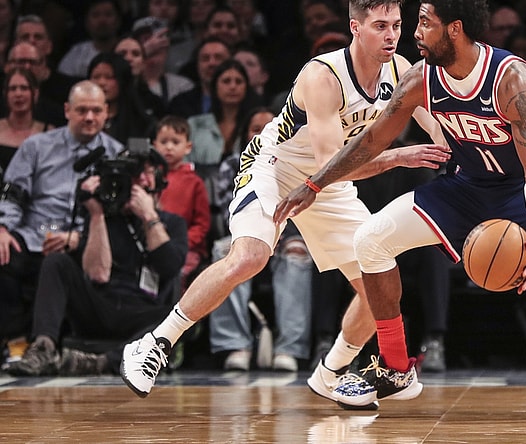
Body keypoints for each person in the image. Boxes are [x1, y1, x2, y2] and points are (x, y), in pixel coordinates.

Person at [273, 0, 526, 421]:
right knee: (370, 239)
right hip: (464, 188)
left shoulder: (509, 78)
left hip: (522, 193)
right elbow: (370, 142)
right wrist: (315, 182)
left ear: (454, 29)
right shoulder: (420, 78)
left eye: (424, 23)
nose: (415, 34)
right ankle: (394, 367)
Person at [120, 0, 449, 401]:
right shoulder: (324, 75)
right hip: (275, 168)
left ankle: (330, 374)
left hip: (329, 182)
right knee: (249, 257)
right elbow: (332, 166)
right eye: (380, 25)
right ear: (355, 28)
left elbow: (439, 125)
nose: (392, 35)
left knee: (377, 284)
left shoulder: (400, 70)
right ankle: (154, 342)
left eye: (396, 25)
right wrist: (398, 156)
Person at [5, 147, 187, 376]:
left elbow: (169, 266)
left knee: (181, 314)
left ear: (157, 181)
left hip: (143, 315)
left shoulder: (174, 224)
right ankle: (43, 347)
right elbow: (98, 274)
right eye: (135, 174)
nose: (140, 180)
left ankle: (100, 363)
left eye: (146, 173)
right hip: (99, 306)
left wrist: (149, 216)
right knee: (56, 262)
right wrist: (97, 214)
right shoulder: (104, 218)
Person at [0, 81, 124, 359]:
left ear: (106, 113)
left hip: (82, 240)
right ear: (67, 110)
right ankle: (16, 340)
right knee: (2, 252)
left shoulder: (117, 155)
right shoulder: (36, 146)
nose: (89, 118)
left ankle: (59, 344)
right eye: (82, 110)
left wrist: (79, 236)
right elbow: (13, 193)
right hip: (32, 234)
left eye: (95, 111)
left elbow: (116, 215)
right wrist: (2, 228)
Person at [209, 106, 313, 372]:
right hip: (245, 233)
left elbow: (305, 211)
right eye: (256, 128)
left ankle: (289, 348)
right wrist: (261, 235)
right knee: (223, 250)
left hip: (287, 235)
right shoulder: (232, 165)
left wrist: (278, 236)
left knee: (298, 252)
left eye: (270, 127)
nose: (264, 133)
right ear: (245, 134)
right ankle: (235, 345)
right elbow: (227, 208)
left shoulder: (299, 163)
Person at [151, 115, 211, 289]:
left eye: (175, 142)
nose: (169, 147)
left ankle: (181, 315)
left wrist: (181, 242)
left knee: (178, 274)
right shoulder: (148, 178)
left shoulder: (195, 182)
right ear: (154, 145)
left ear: (188, 147)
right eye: (164, 142)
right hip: (153, 242)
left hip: (186, 248)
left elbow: (202, 224)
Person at [87, 52, 157, 144]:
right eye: (96, 77)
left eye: (109, 77)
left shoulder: (142, 125)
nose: (101, 83)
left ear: (123, 81)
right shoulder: (78, 120)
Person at [0, 68, 53, 174]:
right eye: (13, 89)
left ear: (35, 93)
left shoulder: (49, 133)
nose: (18, 94)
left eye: (24, 88)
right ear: (5, 94)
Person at [57, 0, 123, 79]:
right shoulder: (76, 54)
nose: (102, 20)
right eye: (95, 15)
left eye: (108, 14)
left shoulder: (129, 50)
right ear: (87, 23)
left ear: (118, 21)